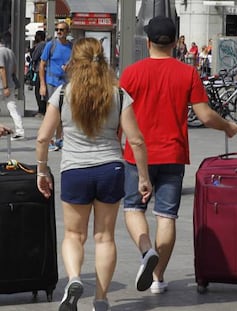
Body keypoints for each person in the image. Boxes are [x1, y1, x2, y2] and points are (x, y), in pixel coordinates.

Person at [119, 16, 237, 295]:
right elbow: (205, 115)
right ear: (175, 43)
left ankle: (146, 250)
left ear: (147, 42)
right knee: (166, 217)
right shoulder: (187, 74)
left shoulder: (131, 74)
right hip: (173, 154)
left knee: (133, 209)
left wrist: (116, 144)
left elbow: (118, 115)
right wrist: (228, 127)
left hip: (136, 155)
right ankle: (158, 278)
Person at [36, 37, 152, 311]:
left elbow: (43, 138)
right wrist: (144, 177)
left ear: (73, 62)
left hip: (75, 171)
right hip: (110, 170)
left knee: (74, 236)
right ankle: (101, 300)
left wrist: (42, 171)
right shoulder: (118, 94)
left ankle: (75, 278)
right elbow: (135, 140)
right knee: (105, 237)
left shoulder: (63, 94)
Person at [39, 21, 72, 151]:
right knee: (51, 112)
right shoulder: (50, 45)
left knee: (63, 112)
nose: (59, 32)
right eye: (57, 29)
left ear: (67, 32)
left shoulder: (72, 47)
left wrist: (70, 67)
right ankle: (50, 139)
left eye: (62, 30)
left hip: (66, 82)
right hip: (51, 82)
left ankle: (59, 139)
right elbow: (42, 64)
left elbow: (76, 63)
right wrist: (42, 84)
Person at [0, 32, 24, 141]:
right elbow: (14, 68)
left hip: (2, 86)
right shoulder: (10, 52)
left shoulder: (0, 52)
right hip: (11, 84)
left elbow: (2, 69)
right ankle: (20, 131)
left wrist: (5, 86)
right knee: (13, 108)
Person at [30, 30, 47, 118]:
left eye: (36, 36)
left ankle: (41, 110)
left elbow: (34, 57)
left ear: (39, 37)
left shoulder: (40, 45)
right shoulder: (46, 44)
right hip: (45, 71)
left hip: (40, 70)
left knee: (38, 91)